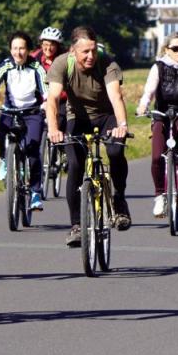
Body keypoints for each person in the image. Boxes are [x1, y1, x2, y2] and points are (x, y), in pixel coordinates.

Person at [46, 26, 131, 247]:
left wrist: (121, 125)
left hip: (106, 117)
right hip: (78, 118)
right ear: (73, 51)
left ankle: (119, 199)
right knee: (74, 165)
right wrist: (54, 130)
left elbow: (116, 96)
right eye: (85, 52)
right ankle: (76, 225)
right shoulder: (62, 63)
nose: (91, 56)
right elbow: (53, 99)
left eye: (93, 50)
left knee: (115, 149)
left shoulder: (107, 62)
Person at [136, 32, 178, 218]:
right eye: (175, 48)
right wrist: (143, 105)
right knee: (157, 157)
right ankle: (160, 196)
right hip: (162, 113)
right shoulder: (158, 67)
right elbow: (149, 91)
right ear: (167, 49)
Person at [0, 31, 49, 211]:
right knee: (1, 133)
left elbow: (46, 89)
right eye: (14, 48)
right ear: (10, 49)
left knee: (33, 149)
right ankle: (5, 160)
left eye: (22, 48)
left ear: (28, 50)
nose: (18, 52)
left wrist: (47, 103)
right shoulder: (5, 66)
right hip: (10, 111)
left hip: (32, 112)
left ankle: (35, 192)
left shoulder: (36, 67)